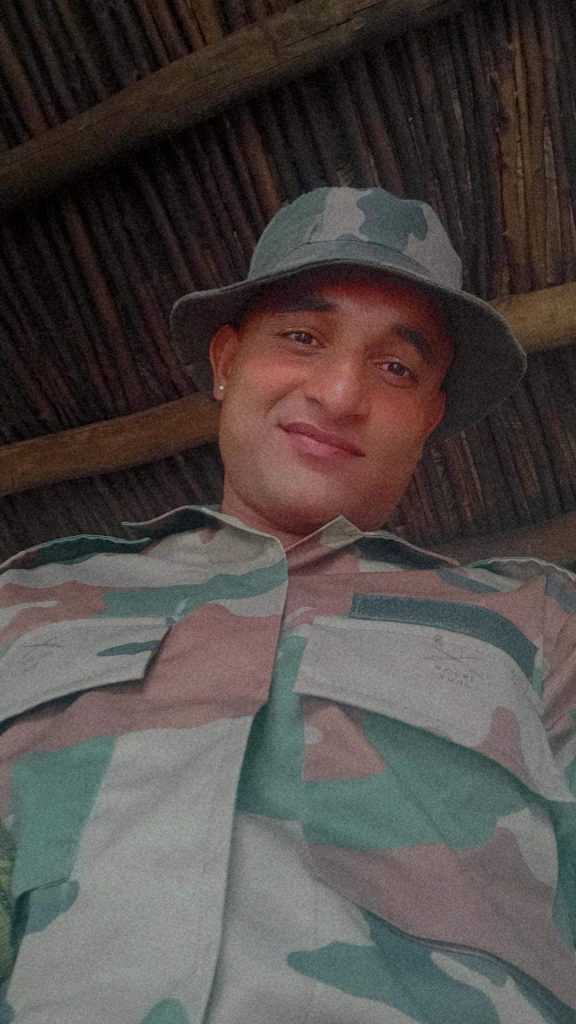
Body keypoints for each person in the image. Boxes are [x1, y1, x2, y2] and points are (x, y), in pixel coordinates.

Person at [1, 187, 575, 1023]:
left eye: (397, 367)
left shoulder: (543, 624)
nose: (340, 394)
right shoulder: (26, 602)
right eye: (303, 337)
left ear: (428, 417)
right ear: (226, 362)